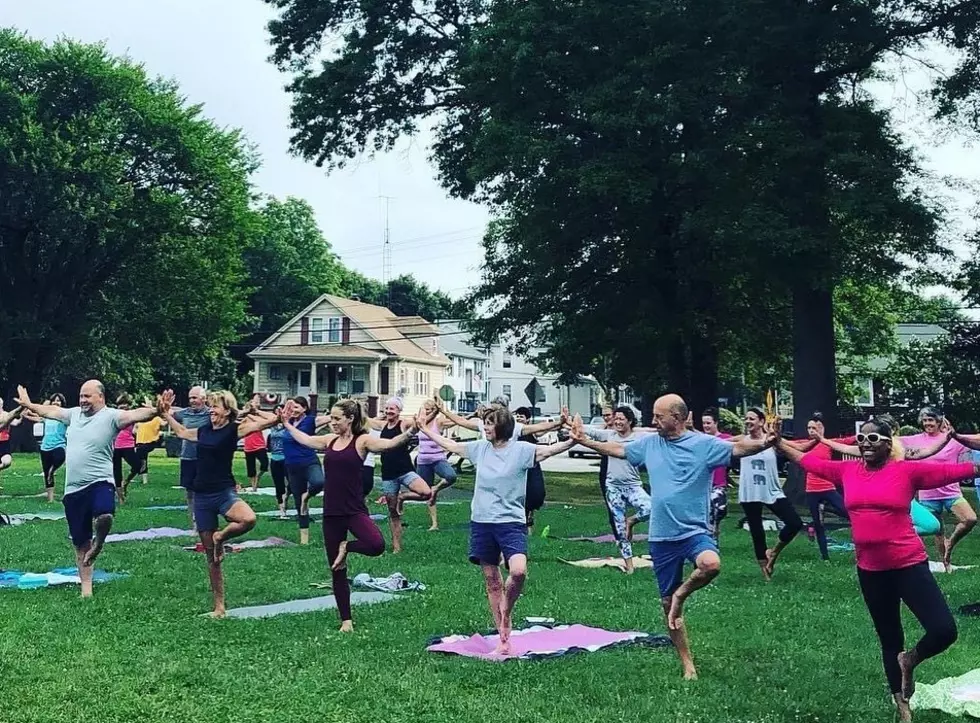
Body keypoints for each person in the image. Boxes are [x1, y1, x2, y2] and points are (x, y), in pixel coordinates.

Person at [777, 417, 978, 721]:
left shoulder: (906, 471)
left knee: (943, 630)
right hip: (870, 570)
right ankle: (902, 704)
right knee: (889, 637)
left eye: (873, 439)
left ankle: (910, 659)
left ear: (887, 443)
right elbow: (807, 461)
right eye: (861, 439)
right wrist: (776, 442)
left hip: (908, 565)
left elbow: (960, 470)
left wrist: (966, 445)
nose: (865, 444)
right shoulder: (846, 471)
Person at [570, 393, 773, 679]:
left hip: (693, 532)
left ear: (677, 418)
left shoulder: (703, 445)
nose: (653, 421)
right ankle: (687, 664)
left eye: (658, 416)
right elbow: (617, 449)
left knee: (711, 565)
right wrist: (584, 441)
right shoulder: (650, 444)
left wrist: (766, 442)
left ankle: (682, 593)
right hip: (662, 536)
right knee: (667, 606)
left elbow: (739, 448)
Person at [418, 405, 576, 655]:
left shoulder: (522, 450)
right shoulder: (480, 449)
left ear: (502, 426)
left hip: (511, 522)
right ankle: (503, 633)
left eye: (490, 423)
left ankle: (507, 610)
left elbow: (548, 451)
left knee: (519, 571)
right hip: (482, 521)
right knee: (492, 581)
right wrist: (426, 429)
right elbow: (452, 446)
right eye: (485, 423)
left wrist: (572, 441)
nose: (485, 427)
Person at [14, 381, 160, 598]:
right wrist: (29, 404)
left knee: (105, 514)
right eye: (81, 396)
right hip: (73, 489)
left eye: (87, 396)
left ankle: (99, 543)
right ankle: (86, 590)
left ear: (100, 397)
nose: (82, 400)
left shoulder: (111, 416)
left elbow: (135, 415)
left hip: (100, 481)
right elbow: (52, 410)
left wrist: (157, 410)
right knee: (80, 541)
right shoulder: (73, 415)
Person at [283, 399, 412, 632]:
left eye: (336, 418)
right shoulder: (329, 440)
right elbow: (307, 440)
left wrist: (413, 430)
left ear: (350, 419)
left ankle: (347, 547)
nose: (331, 422)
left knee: (376, 544)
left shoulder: (361, 440)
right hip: (332, 511)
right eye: (330, 418)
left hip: (354, 509)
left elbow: (389, 444)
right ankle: (346, 620)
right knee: (337, 569)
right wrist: (287, 425)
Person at [160, 389, 277, 617]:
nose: (211, 410)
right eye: (211, 406)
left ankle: (221, 537)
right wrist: (166, 414)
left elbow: (265, 424)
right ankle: (219, 606)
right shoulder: (203, 431)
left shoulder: (235, 430)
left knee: (248, 519)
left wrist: (275, 415)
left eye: (215, 406)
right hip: (202, 496)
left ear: (227, 410)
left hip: (224, 492)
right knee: (212, 557)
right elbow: (183, 432)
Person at [732, 407, 806, 580]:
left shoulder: (772, 440)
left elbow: (800, 447)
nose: (748, 421)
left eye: (752, 418)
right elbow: (716, 440)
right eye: (746, 418)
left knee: (794, 523)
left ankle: (773, 552)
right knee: (757, 531)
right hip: (749, 492)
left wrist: (820, 439)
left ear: (761, 421)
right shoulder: (742, 440)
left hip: (771, 490)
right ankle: (765, 570)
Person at [901, 407, 976, 570]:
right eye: (925, 420)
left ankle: (952, 541)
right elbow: (892, 443)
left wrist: (955, 434)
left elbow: (971, 442)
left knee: (970, 519)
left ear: (939, 421)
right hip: (928, 494)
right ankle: (946, 564)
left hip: (951, 492)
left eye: (931, 420)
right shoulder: (914, 440)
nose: (928, 423)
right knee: (938, 530)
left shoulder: (952, 440)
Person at [582, 406, 651, 573]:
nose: (618, 422)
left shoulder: (639, 437)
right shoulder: (609, 435)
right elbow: (587, 430)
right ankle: (629, 567)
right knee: (619, 530)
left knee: (650, 508)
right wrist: (568, 422)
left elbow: (659, 433)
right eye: (616, 419)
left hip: (633, 486)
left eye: (621, 419)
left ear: (630, 421)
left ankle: (631, 521)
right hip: (613, 488)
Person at [367, 398, 431, 553]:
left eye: (392, 409)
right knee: (393, 512)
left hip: (405, 471)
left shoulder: (403, 424)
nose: (389, 411)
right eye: (387, 408)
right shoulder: (382, 425)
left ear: (399, 411)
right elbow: (365, 420)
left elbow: (419, 423)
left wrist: (431, 411)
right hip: (388, 474)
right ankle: (397, 547)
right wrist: (354, 407)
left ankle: (403, 496)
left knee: (426, 492)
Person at [282, 396, 330, 545]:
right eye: (292, 408)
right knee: (298, 502)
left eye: (297, 407)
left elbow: (330, 417)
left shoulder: (311, 420)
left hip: (309, 462)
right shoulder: (286, 421)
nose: (293, 410)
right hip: (292, 466)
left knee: (319, 482)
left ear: (304, 408)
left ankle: (307, 496)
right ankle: (304, 540)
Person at [415, 398, 459, 531]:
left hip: (438, 458)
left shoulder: (438, 421)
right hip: (423, 460)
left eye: (430, 410)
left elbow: (455, 422)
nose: (427, 412)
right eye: (425, 410)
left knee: (451, 476)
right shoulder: (419, 422)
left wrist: (470, 416)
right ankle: (434, 524)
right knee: (426, 493)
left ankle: (436, 488)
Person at [172, 386, 212, 532]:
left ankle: (205, 521)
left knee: (204, 491)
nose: (192, 401)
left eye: (195, 398)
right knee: (190, 491)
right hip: (187, 457)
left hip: (205, 458)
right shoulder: (185, 413)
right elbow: (170, 413)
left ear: (204, 399)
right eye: (190, 398)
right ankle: (194, 521)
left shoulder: (211, 413)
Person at [22, 393, 68, 502]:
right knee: (46, 472)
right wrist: (26, 411)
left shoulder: (65, 416)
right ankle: (50, 499)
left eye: (58, 400)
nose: (56, 402)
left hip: (59, 445)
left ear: (62, 403)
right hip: (45, 447)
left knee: (60, 457)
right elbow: (32, 416)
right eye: (54, 400)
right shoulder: (46, 416)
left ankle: (53, 470)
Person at [514, 407, 549, 532]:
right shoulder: (513, 432)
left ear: (527, 419)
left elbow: (544, 428)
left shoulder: (532, 432)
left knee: (534, 495)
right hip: (518, 469)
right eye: (517, 416)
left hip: (532, 469)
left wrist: (560, 424)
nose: (518, 418)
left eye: (521, 416)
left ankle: (529, 525)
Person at [701, 408, 732, 542]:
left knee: (717, 512)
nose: (706, 426)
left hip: (718, 485)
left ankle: (713, 541)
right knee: (706, 516)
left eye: (708, 423)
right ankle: (709, 542)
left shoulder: (725, 439)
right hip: (703, 484)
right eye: (704, 423)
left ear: (716, 423)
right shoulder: (700, 440)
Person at [112, 394, 142, 503]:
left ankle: (126, 482)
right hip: (116, 446)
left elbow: (136, 427)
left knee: (138, 465)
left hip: (128, 445)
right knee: (117, 471)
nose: (123, 407)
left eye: (125, 405)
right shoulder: (114, 416)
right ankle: (120, 498)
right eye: (121, 405)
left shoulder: (132, 416)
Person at [266, 408, 290, 517]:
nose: (278, 414)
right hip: (275, 459)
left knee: (293, 483)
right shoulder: (272, 426)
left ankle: (287, 498)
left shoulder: (289, 426)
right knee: (278, 485)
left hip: (287, 459)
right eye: (276, 412)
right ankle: (282, 511)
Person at [134, 401, 163, 486]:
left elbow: (164, 423)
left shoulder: (156, 418)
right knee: (139, 459)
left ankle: (144, 479)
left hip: (148, 442)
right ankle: (141, 477)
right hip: (141, 443)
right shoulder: (141, 419)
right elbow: (134, 430)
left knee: (142, 460)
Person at [0, 398, 24, 490]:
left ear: (2, 405)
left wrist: (21, 416)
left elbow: (16, 423)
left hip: (4, 443)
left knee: (7, 462)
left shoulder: (6, 415)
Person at [243, 426, 269, 493]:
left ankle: (258, 476)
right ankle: (254, 488)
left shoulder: (257, 419)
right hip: (248, 446)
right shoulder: (245, 421)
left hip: (259, 445)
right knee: (251, 468)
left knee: (265, 463)